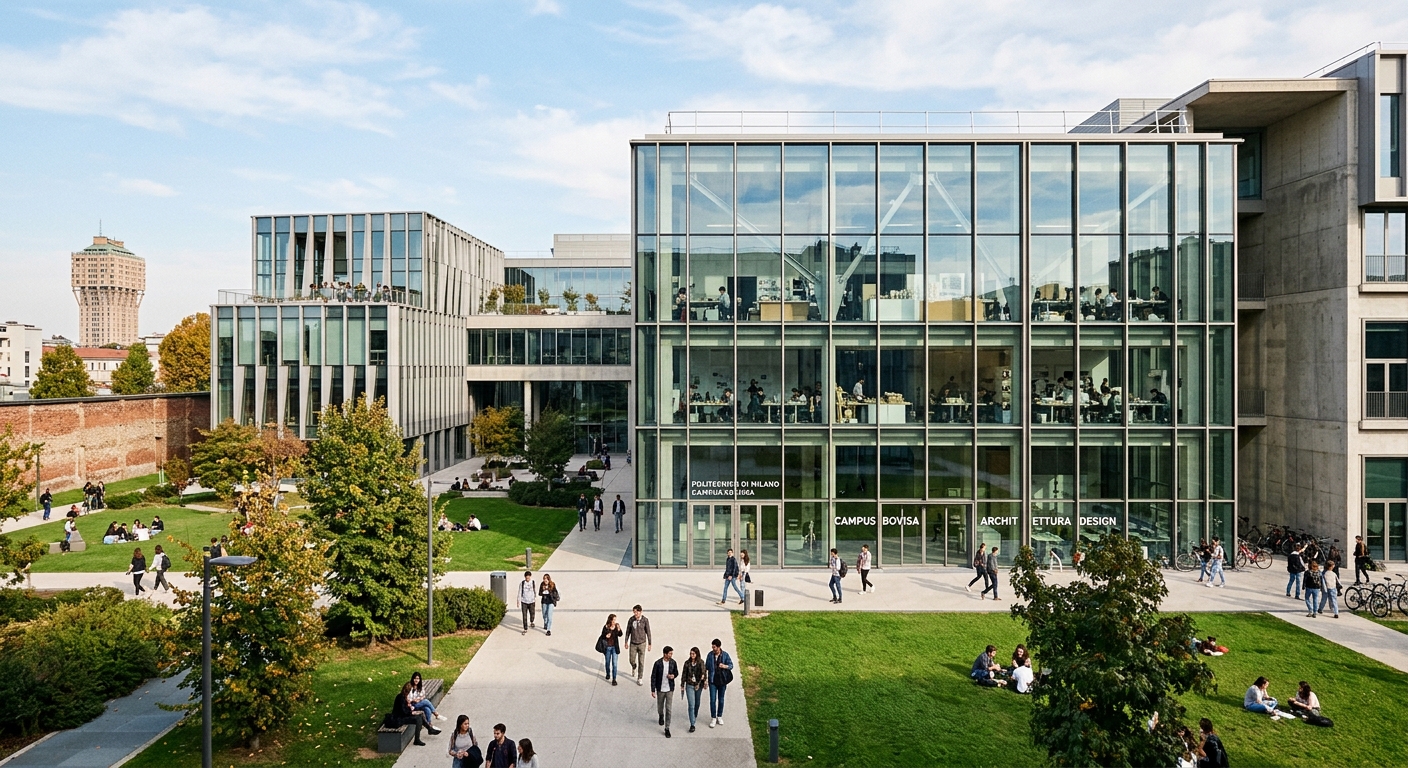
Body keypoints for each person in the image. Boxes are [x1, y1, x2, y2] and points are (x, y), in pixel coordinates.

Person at [651, 645, 678, 737]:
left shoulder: (673, 663)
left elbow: (676, 672)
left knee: (669, 709)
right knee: (660, 707)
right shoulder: (658, 663)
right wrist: (653, 689)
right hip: (660, 689)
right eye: (669, 653)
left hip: (669, 689)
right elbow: (653, 676)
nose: (671, 655)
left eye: (671, 653)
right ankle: (661, 715)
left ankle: (667, 728)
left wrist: (673, 676)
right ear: (665, 654)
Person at [706, 638, 733, 727]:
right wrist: (705, 679)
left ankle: (719, 716)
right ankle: (713, 717)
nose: (713, 649)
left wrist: (724, 666)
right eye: (712, 647)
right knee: (712, 700)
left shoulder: (725, 655)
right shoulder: (710, 655)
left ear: (719, 647)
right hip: (712, 680)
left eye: (714, 647)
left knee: (721, 699)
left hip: (722, 681)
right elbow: (706, 667)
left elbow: (731, 665)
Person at [681, 646, 706, 733]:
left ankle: (694, 715)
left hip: (698, 685)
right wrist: (682, 685)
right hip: (689, 685)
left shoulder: (701, 663)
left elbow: (703, 671)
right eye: (691, 653)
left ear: (697, 654)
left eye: (693, 654)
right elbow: (684, 674)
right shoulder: (687, 663)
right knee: (691, 704)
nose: (692, 655)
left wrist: (703, 677)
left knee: (697, 703)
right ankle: (692, 723)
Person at [626, 604, 652, 686]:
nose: (635, 614)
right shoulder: (631, 620)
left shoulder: (645, 620)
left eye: (636, 612)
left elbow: (648, 631)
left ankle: (640, 677)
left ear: (640, 612)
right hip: (633, 643)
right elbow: (628, 631)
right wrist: (626, 641)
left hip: (642, 643)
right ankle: (634, 666)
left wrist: (650, 643)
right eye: (634, 612)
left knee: (641, 662)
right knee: (631, 659)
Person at [598, 613, 622, 684]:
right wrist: (606, 636)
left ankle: (614, 679)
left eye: (615, 619)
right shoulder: (606, 627)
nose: (615, 621)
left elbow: (620, 635)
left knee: (614, 664)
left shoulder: (616, 626)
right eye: (613, 620)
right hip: (607, 647)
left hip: (615, 647)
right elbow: (602, 636)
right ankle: (608, 673)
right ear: (610, 620)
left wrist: (619, 629)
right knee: (607, 663)